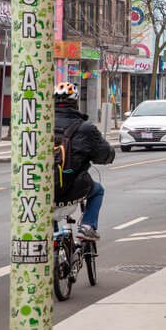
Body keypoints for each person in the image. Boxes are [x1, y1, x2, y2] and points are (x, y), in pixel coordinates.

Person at [53, 82, 115, 240]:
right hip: (73, 186)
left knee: (47, 208)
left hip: (43, 188)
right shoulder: (85, 128)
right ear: (75, 102)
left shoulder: (41, 125)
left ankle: (53, 234)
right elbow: (104, 154)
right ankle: (87, 226)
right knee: (98, 190)